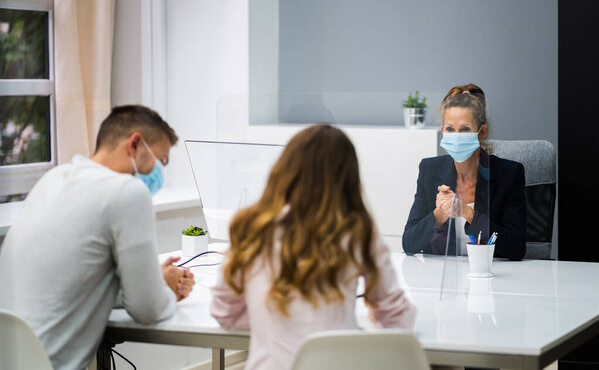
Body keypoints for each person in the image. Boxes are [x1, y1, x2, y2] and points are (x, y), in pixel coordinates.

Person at [0, 105, 195, 370]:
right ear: (135, 144)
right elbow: (148, 310)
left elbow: (74, 284)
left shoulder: (53, 179)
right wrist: (167, 290)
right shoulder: (127, 192)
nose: (159, 171)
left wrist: (152, 281)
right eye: (161, 160)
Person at [210, 124, 416, 370]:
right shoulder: (358, 230)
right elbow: (398, 318)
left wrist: (275, 325)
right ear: (348, 179)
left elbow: (224, 312)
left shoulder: (251, 226)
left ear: (285, 169)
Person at [402, 84, 526, 260]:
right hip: (441, 280)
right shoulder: (429, 170)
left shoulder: (509, 174)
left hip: (491, 277)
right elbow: (409, 244)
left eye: (465, 129)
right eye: (450, 129)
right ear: (443, 131)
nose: (457, 136)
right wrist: (439, 214)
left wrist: (468, 213)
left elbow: (516, 248)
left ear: (482, 131)